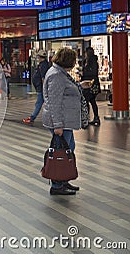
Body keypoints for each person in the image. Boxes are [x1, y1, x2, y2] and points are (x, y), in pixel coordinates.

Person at [42, 48, 90, 195]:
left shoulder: (60, 73)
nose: (75, 64)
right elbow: (55, 102)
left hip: (65, 120)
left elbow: (66, 91)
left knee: (67, 149)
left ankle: (63, 179)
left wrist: (81, 85)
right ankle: (57, 185)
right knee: (61, 152)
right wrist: (58, 125)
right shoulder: (56, 75)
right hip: (61, 121)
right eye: (74, 61)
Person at [23, 50, 50, 124]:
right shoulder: (43, 64)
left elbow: (43, 78)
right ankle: (33, 117)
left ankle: (32, 117)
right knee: (44, 103)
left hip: (41, 88)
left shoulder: (43, 65)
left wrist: (45, 88)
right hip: (40, 88)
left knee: (40, 103)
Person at [81, 47, 100, 126]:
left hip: (91, 84)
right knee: (91, 101)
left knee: (87, 100)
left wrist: (84, 74)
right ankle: (95, 117)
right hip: (88, 84)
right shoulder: (86, 61)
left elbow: (93, 73)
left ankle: (87, 118)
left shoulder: (93, 62)